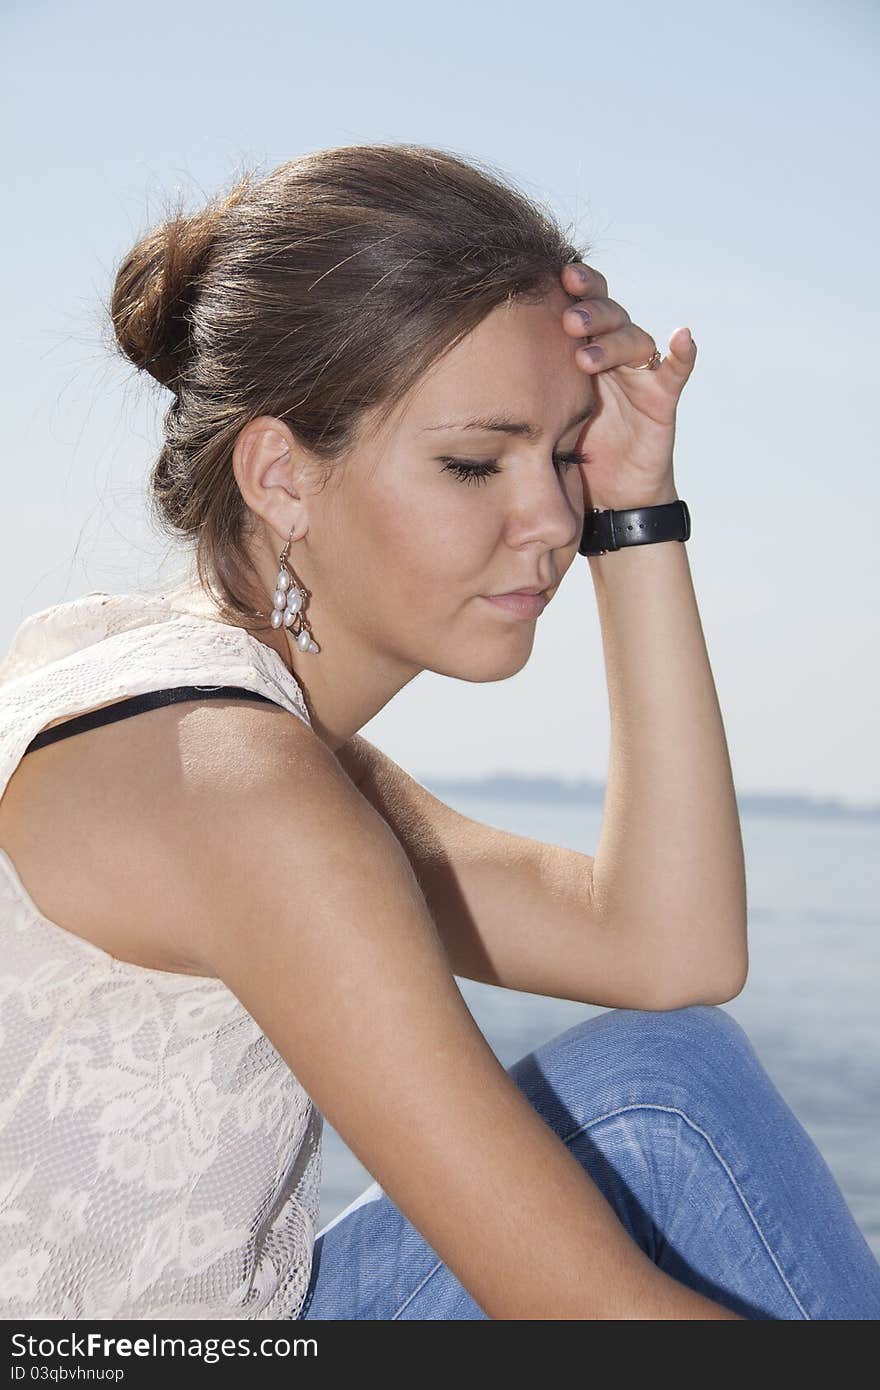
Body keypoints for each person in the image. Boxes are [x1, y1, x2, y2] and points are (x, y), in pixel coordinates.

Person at [1, 143, 878, 1320]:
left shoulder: (235, 722)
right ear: (279, 476)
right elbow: (592, 1318)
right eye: (474, 462)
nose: (551, 518)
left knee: (662, 1084)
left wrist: (640, 508)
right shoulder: (235, 786)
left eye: (564, 453)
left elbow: (670, 953)